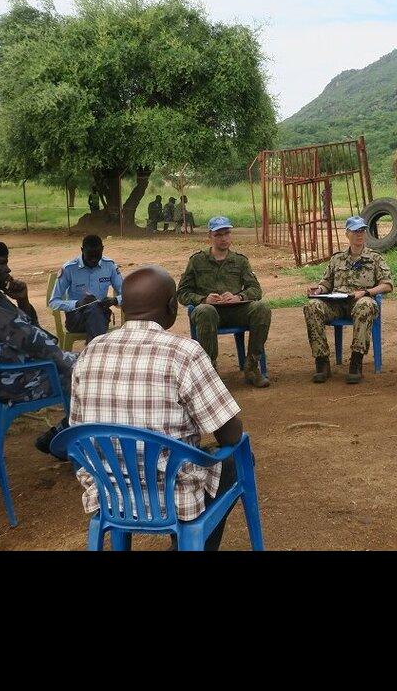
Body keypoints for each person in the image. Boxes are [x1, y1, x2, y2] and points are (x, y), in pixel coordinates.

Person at [69, 265, 245, 551]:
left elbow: (76, 431)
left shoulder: (90, 351)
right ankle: (189, 544)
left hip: (110, 495)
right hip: (175, 497)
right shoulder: (184, 352)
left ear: (123, 308)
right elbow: (230, 434)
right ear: (172, 306)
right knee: (237, 460)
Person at [0, 240, 78, 458]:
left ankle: (59, 435)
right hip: (19, 381)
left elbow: (28, 329)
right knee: (93, 375)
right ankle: (66, 439)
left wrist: (23, 301)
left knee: (90, 367)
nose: (8, 269)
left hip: (27, 370)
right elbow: (32, 340)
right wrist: (68, 360)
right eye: (1, 263)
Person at [177, 216, 272, 388]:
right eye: (218, 235)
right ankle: (209, 371)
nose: (224, 238)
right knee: (206, 311)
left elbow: (255, 290)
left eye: (227, 233)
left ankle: (252, 366)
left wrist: (239, 297)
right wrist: (203, 299)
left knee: (262, 308)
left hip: (235, 311)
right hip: (208, 313)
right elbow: (182, 293)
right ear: (210, 236)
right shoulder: (197, 261)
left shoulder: (240, 261)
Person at [304, 216, 394, 384]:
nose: (359, 234)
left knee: (365, 305)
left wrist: (366, 292)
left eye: (362, 231)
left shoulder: (374, 258)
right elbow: (327, 283)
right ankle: (322, 362)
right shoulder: (337, 258)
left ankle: (356, 362)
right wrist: (319, 289)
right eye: (355, 231)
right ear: (347, 234)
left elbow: (387, 285)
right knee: (312, 306)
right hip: (337, 305)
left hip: (360, 302)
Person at [48, 234, 123, 344]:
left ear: (102, 249)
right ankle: (95, 349)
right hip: (76, 318)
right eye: (90, 256)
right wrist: (77, 304)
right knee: (94, 310)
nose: (93, 260)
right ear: (82, 250)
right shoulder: (69, 269)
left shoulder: (109, 266)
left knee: (95, 310)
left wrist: (115, 300)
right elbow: (53, 302)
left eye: (97, 256)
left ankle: (92, 349)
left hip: (101, 315)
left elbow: (127, 293)